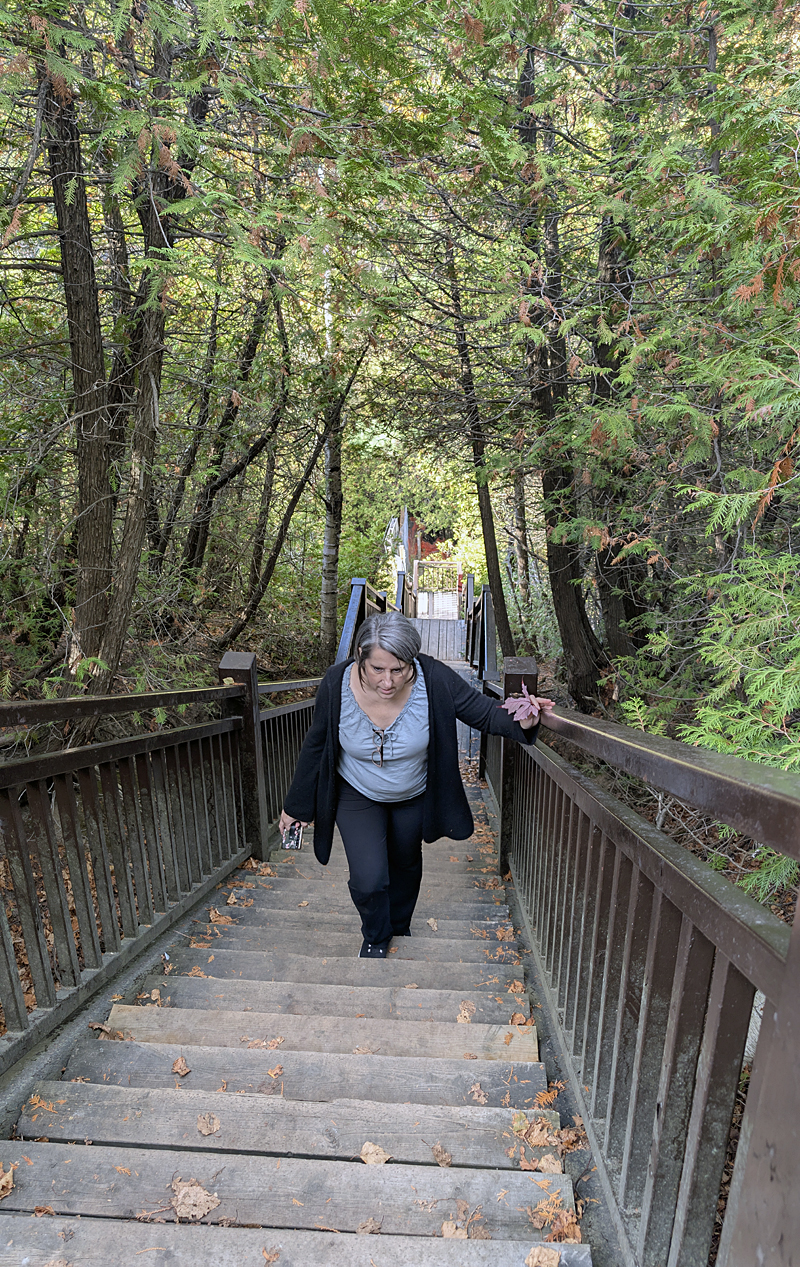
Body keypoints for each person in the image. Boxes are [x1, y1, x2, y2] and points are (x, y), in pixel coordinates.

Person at [279, 611, 554, 958]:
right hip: (357, 791)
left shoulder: (433, 678)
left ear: (412, 661)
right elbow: (315, 744)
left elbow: (483, 713)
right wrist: (295, 806)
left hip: (414, 792)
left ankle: (399, 924)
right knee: (369, 878)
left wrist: (523, 718)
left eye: (398, 669)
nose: (388, 681)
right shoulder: (336, 682)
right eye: (377, 669)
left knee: (406, 863)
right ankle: (376, 937)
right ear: (361, 657)